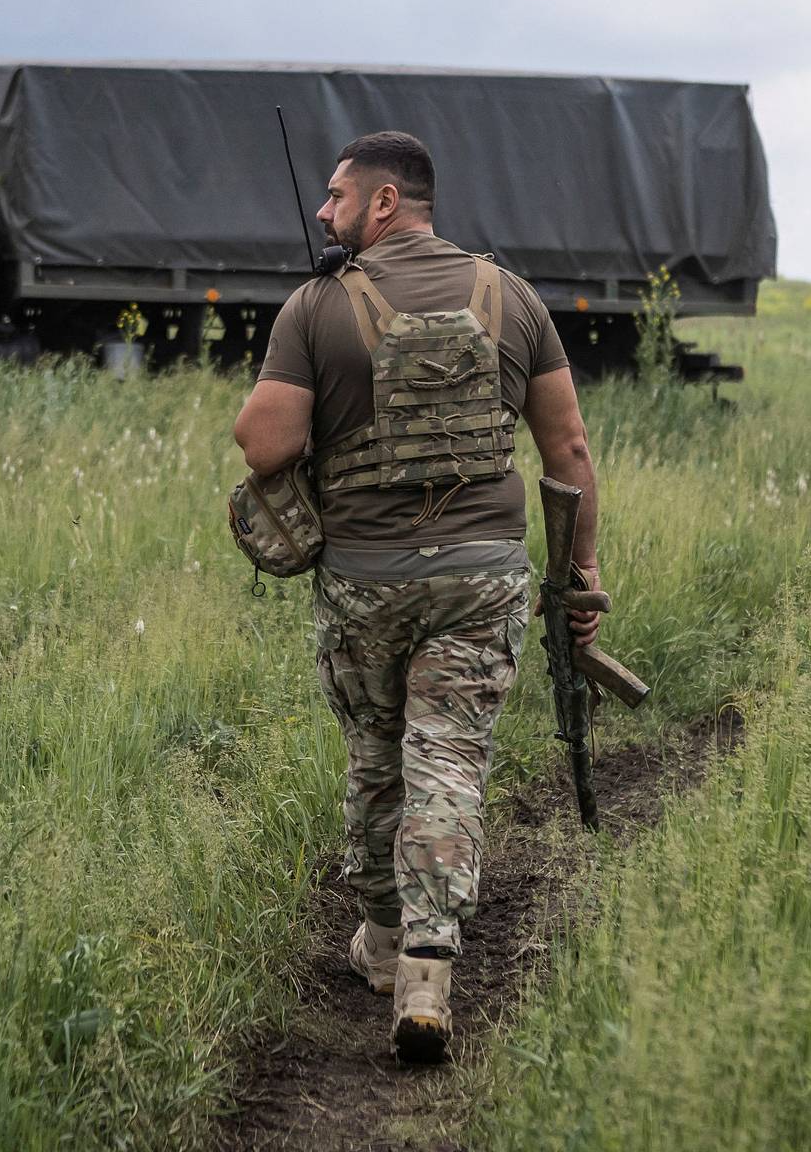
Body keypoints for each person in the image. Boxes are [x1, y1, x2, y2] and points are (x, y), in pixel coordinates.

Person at [233, 131, 601, 1064]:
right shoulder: (511, 298)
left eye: (337, 197)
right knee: (450, 760)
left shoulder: (315, 305)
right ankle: (432, 973)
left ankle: (387, 946)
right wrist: (578, 579)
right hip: (482, 576)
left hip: (366, 581)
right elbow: (569, 455)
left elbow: (263, 445)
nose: (324, 213)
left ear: (385, 202)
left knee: (378, 756)